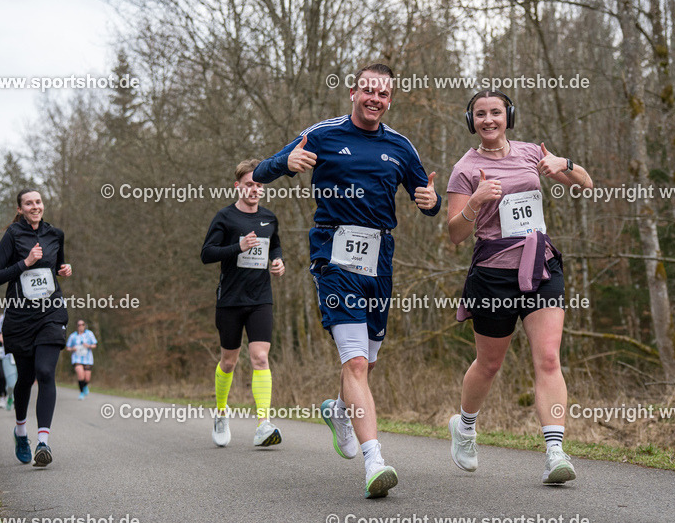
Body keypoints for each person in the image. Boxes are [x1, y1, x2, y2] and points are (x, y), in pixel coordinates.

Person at [253, 63, 440, 498]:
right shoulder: (322, 134)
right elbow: (262, 171)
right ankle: (375, 460)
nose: (375, 98)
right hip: (333, 254)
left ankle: (339, 410)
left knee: (368, 363)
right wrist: (287, 161)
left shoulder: (400, 146)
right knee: (355, 362)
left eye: (384, 94)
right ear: (353, 92)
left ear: (390, 100)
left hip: (380, 258)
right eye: (368, 90)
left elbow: (424, 199)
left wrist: (430, 203)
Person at [445, 90, 593, 484]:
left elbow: (585, 184)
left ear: (508, 116)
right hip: (493, 273)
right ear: (471, 120)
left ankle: (555, 451)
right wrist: (475, 202)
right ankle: (465, 426)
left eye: (496, 112)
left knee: (547, 358)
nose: (489, 120)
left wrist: (566, 164)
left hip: (540, 265)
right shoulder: (465, 167)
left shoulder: (530, 153)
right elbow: (455, 234)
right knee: (490, 364)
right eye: (480, 114)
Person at [201, 159, 285, 448]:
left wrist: (278, 261)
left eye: (259, 185)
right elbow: (207, 254)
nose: (254, 189)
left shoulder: (270, 218)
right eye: (249, 184)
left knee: (260, 357)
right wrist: (238, 246)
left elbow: (275, 244)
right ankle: (221, 412)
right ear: (238, 186)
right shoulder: (224, 218)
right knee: (229, 361)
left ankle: (264, 423)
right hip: (231, 300)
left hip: (261, 298)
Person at [0, 188, 72, 468]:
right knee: (25, 378)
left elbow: (57, 264)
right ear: (20, 209)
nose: (35, 206)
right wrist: (25, 263)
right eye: (28, 203)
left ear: (43, 205)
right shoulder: (13, 235)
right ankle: (21, 431)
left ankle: (43, 441)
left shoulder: (55, 234)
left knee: (46, 372)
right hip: (20, 318)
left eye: (38, 202)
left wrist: (64, 269)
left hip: (50, 312)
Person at [65, 319, 98, 400]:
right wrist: (73, 349)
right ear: (77, 326)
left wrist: (88, 346)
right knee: (80, 375)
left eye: (82, 324)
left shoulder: (89, 334)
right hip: (77, 358)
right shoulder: (73, 336)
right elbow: (67, 347)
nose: (81, 326)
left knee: (87, 378)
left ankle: (85, 386)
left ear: (84, 325)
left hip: (88, 359)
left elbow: (95, 345)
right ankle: (81, 392)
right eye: (79, 325)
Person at [0, 313, 17, 410]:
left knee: (21, 382)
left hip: (24, 353)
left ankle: (18, 401)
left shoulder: (29, 311)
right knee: (11, 384)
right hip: (8, 355)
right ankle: (10, 396)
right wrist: (2, 339)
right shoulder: (4, 317)